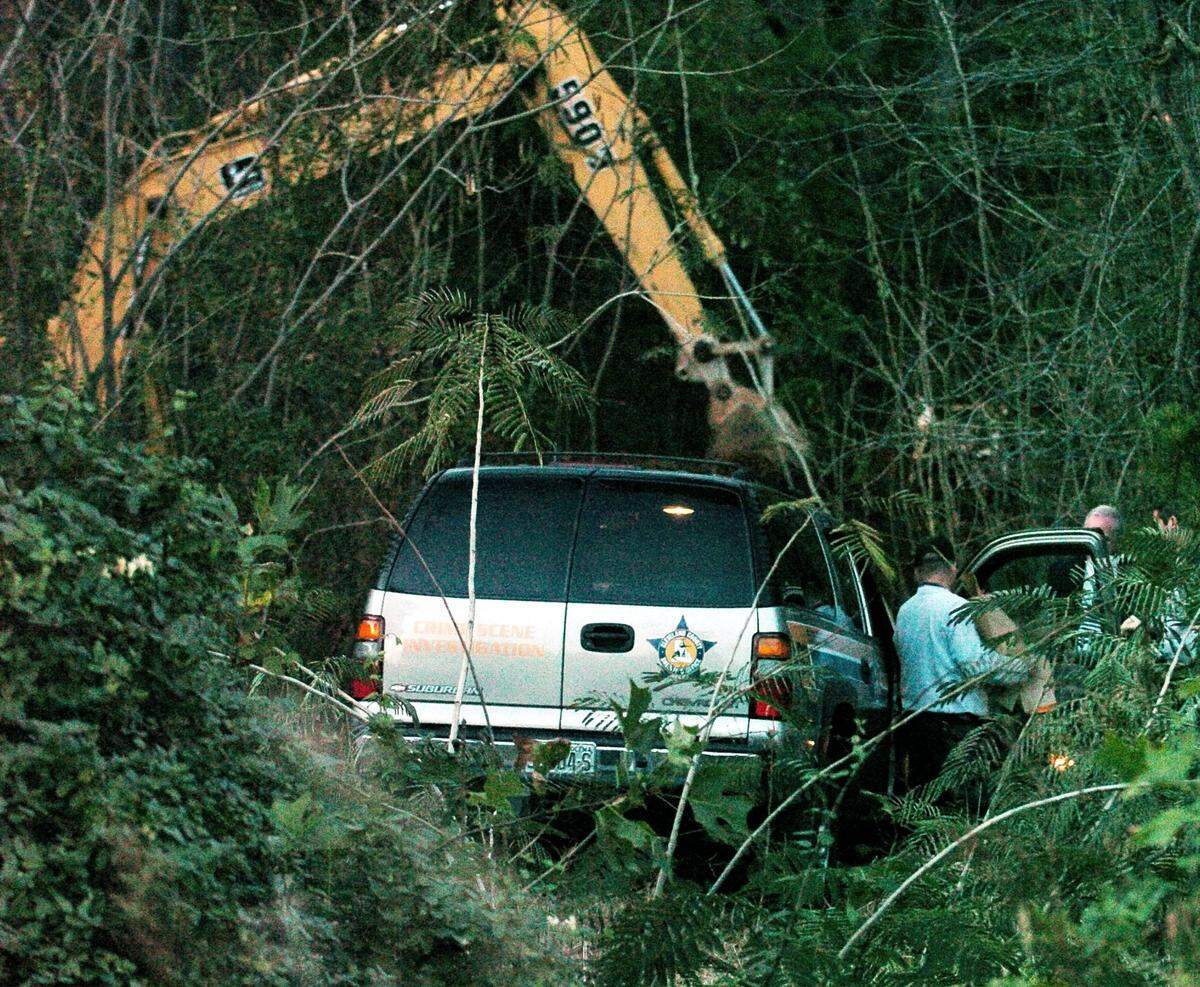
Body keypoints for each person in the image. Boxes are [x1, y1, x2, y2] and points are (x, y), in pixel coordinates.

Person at [895, 539, 1030, 804]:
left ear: (917, 571)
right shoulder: (955, 607)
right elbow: (975, 666)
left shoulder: (905, 611)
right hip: (954, 730)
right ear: (953, 568)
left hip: (915, 724)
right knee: (963, 805)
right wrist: (1021, 667)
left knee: (926, 803)